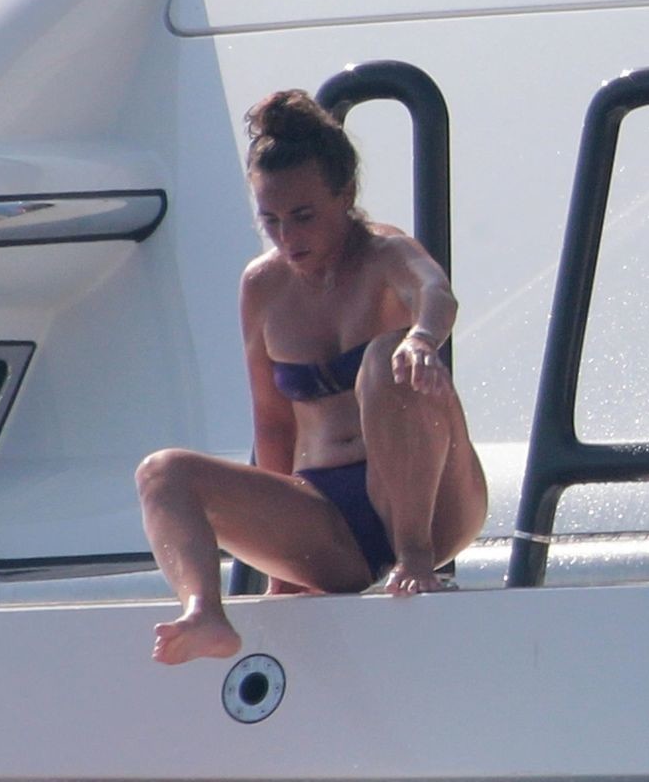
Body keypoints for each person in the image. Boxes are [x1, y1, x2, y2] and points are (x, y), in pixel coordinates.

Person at [135, 88, 489, 664]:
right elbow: (273, 424)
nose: (288, 237)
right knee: (162, 473)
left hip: (429, 506)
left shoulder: (385, 253)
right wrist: (282, 569)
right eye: (271, 221)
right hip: (329, 520)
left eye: (303, 217)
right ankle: (203, 612)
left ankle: (415, 558)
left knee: (388, 356)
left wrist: (422, 338)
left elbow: (436, 292)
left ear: (344, 196)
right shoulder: (262, 286)